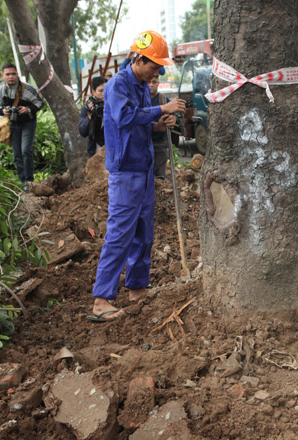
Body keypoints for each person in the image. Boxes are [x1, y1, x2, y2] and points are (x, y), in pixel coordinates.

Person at [89, 30, 186, 321]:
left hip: (143, 167)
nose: (157, 72)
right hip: (125, 172)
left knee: (145, 230)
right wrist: (161, 108)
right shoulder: (117, 85)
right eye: (154, 66)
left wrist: (158, 123)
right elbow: (124, 117)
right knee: (120, 234)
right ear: (139, 59)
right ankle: (101, 299)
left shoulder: (143, 85)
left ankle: (137, 286)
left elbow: (138, 123)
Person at [0, 63, 44, 186]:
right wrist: (3, 111)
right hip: (13, 123)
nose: (11, 77)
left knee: (26, 150)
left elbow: (40, 103)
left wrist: (28, 109)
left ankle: (29, 181)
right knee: (17, 154)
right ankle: (23, 182)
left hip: (28, 122)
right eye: (8, 74)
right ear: (3, 76)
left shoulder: (28, 88)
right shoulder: (0, 89)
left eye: (13, 74)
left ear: (17, 74)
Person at [150, 72, 174, 179]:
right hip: (143, 144)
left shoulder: (164, 100)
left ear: (158, 83)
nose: (151, 85)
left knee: (159, 177)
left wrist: (172, 120)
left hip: (159, 143)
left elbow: (172, 117)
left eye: (154, 82)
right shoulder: (140, 101)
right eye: (148, 82)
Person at [79, 76, 107, 157]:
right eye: (100, 91)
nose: (104, 94)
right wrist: (90, 116)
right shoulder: (88, 107)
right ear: (93, 92)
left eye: (106, 90)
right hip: (95, 151)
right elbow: (83, 132)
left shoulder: (113, 105)